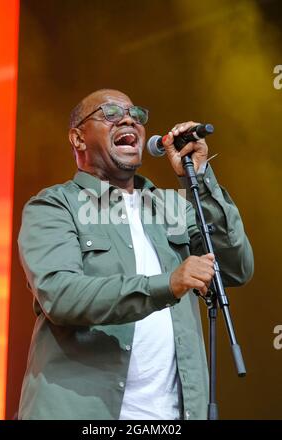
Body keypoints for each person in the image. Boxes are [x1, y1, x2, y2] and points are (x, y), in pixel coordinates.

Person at [17, 88, 254, 420]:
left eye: (135, 114)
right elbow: (60, 295)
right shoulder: (55, 206)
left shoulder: (171, 208)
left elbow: (234, 266)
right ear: (78, 139)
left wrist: (197, 176)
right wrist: (166, 284)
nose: (128, 118)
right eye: (110, 113)